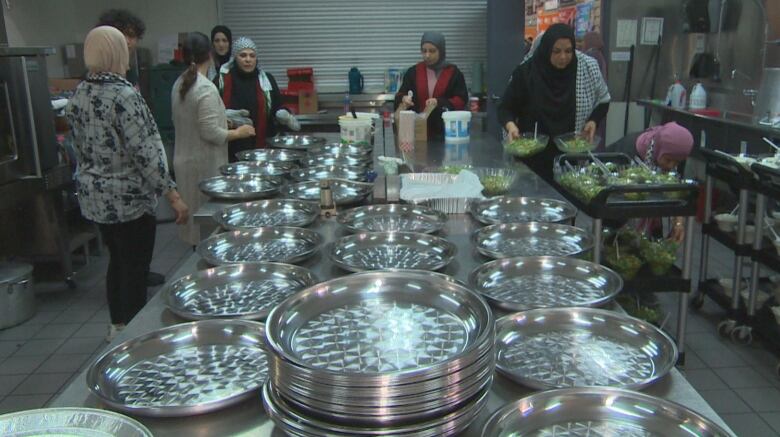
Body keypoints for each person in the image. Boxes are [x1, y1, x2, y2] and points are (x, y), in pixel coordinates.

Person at [65, 26, 189, 340]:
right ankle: (135, 339)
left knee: (116, 262)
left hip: (96, 199)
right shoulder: (123, 96)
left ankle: (117, 325)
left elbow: (76, 147)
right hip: (129, 199)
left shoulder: (80, 93)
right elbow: (146, 152)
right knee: (135, 269)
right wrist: (173, 195)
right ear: (118, 53)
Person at [499, 23, 610, 182]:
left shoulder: (587, 67)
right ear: (546, 49)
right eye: (556, 51)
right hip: (532, 162)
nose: (563, 57)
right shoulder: (527, 73)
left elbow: (604, 100)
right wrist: (510, 126)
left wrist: (593, 120)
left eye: (568, 51)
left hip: (570, 160)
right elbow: (505, 108)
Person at [173, 32, 255, 245]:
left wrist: (223, 120)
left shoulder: (180, 82)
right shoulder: (205, 87)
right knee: (206, 229)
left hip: (185, 162)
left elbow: (194, 120)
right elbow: (210, 133)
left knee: (193, 228)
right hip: (203, 164)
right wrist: (240, 132)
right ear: (209, 55)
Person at [608, 121, 695, 243]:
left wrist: (678, 222)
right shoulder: (626, 153)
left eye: (677, 162)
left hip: (649, 215)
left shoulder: (676, 153)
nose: (671, 166)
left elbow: (676, 188)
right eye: (668, 160)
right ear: (659, 148)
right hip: (618, 215)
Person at [216, 37, 299, 162]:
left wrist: (285, 115)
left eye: (252, 55)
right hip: (230, 149)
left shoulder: (267, 80)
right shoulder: (222, 81)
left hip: (262, 150)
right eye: (243, 55)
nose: (248, 60)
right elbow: (210, 113)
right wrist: (224, 116)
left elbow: (278, 105)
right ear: (234, 58)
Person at [394, 32, 468, 140]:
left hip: (445, 134)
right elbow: (400, 94)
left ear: (441, 51)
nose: (427, 55)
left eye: (432, 51)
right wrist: (403, 99)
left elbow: (461, 100)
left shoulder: (453, 73)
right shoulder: (413, 72)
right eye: (424, 51)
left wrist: (439, 102)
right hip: (417, 134)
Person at [97, 9, 145, 84]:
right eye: (119, 35)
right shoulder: (94, 77)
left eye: (131, 35)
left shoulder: (131, 74)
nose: (125, 41)